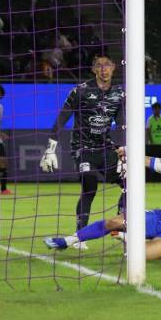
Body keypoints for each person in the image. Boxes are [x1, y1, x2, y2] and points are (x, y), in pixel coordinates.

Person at [39, 53, 125, 249]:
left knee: (130, 183)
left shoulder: (119, 94)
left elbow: (121, 124)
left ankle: (119, 227)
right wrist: (51, 147)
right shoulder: (80, 91)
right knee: (90, 184)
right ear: (93, 69)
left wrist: (123, 149)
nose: (103, 69)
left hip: (106, 149)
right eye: (99, 65)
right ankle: (80, 236)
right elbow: (62, 119)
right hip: (83, 148)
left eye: (107, 65)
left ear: (113, 68)